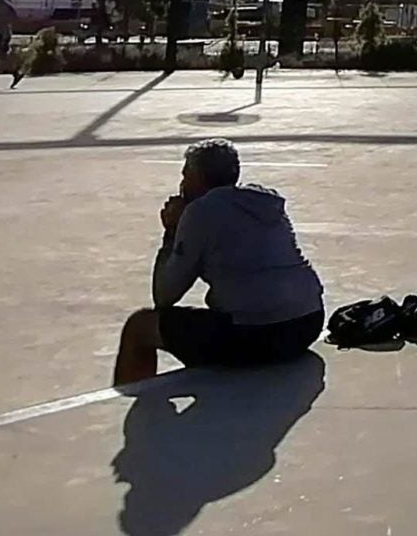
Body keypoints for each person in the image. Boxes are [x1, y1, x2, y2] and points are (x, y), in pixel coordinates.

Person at [112, 139, 326, 386]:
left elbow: (164, 295)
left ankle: (135, 405)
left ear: (198, 177)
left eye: (185, 175)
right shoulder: (266, 201)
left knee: (140, 327)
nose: (181, 184)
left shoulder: (199, 212)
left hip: (257, 333)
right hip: (308, 322)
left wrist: (172, 231)